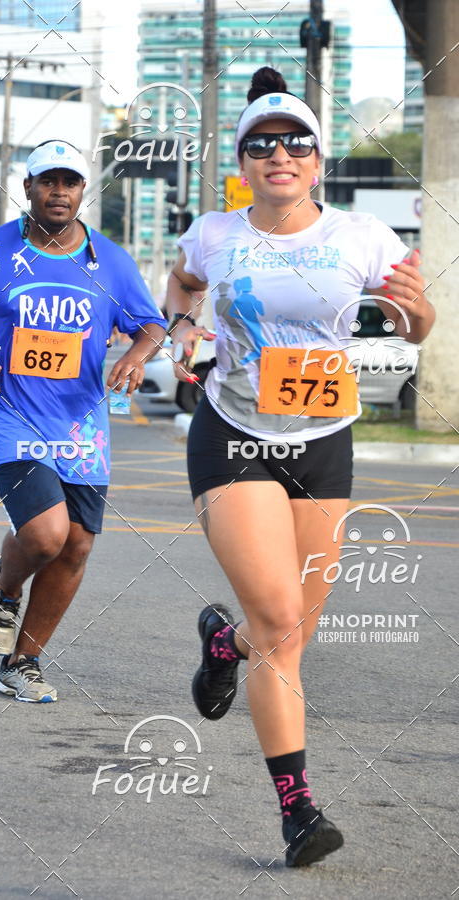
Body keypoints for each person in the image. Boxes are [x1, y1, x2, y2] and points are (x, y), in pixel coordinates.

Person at [166, 67, 434, 866]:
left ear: (318, 163)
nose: (279, 155)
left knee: (288, 634)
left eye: (295, 144)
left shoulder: (362, 238)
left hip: (325, 443)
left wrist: (417, 314)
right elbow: (183, 283)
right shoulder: (216, 234)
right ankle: (299, 811)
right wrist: (183, 326)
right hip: (235, 435)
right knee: (281, 619)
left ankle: (225, 646)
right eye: (262, 145)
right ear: (243, 163)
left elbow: (413, 327)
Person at [0, 139, 166, 702]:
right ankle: (6, 586)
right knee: (44, 535)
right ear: (28, 187)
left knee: (78, 545)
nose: (59, 191)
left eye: (70, 182)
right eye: (48, 181)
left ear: (84, 191)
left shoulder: (110, 260)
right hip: (11, 414)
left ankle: (23, 663)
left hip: (82, 424)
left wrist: (135, 357)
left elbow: (151, 326)